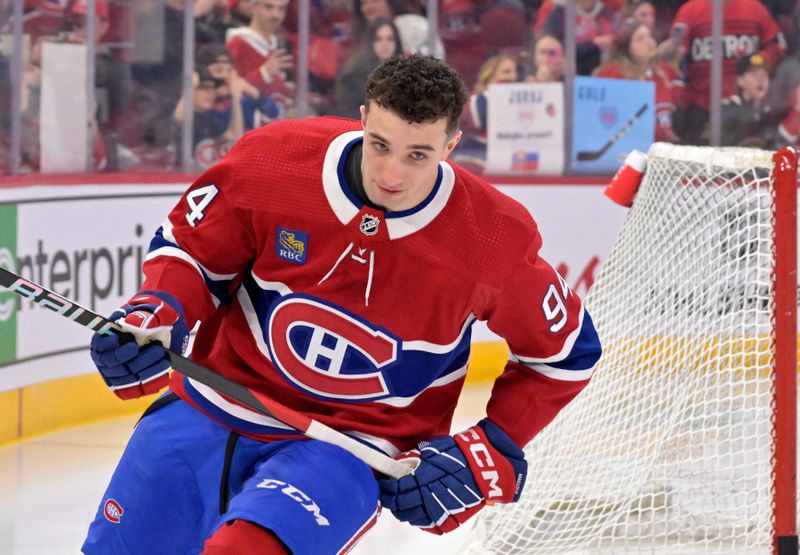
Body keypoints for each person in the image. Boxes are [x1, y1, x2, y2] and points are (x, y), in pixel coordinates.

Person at [82, 54, 602, 554]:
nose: (391, 174)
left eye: (417, 154)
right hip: (210, 406)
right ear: (361, 120)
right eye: (379, 144)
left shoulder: (491, 239)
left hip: (346, 450)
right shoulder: (273, 160)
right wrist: (157, 310)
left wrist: (490, 449)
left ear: (452, 145)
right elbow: (192, 251)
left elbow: (567, 354)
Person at [668, 0, 786, 145]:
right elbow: (675, 55)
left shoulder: (754, 8)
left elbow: (778, 45)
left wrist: (755, 61)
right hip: (701, 106)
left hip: (745, 108)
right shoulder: (690, 10)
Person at [594, 19, 683, 142]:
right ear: (626, 47)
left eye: (649, 36)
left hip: (663, 152)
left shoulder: (663, 71)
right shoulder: (613, 73)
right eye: (640, 39)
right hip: (626, 151)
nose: (649, 42)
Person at [225, 0, 295, 112]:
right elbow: (229, 89)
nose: (276, 15)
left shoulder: (278, 45)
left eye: (281, 9)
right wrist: (264, 73)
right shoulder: (238, 43)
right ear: (254, 7)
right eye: (268, 7)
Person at [455, 54, 521, 170]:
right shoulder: (474, 100)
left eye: (515, 72)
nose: (512, 77)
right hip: (475, 156)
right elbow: (476, 119)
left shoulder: (520, 101)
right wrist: (495, 93)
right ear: (489, 76)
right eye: (506, 72)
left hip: (511, 158)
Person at [721, 53, 798, 148]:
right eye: (754, 75)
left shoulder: (773, 111)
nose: (761, 79)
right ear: (740, 80)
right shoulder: (728, 110)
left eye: (765, 75)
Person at [330, 18, 403, 118]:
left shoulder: (404, 73)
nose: (384, 44)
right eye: (378, 39)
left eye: (390, 39)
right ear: (370, 43)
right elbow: (348, 112)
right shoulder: (352, 76)